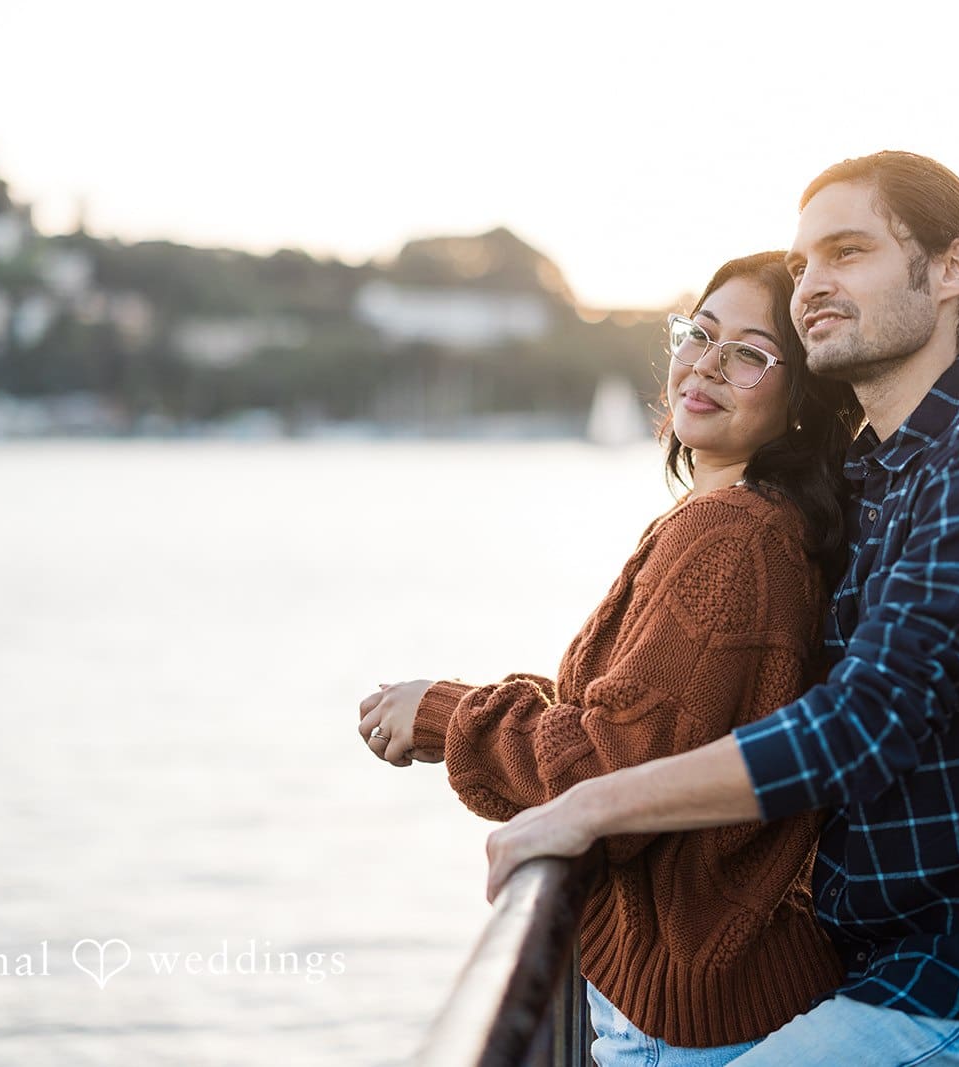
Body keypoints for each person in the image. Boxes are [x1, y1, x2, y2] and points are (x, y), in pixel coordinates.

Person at [483, 152, 959, 1067]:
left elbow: (868, 720)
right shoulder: (881, 479)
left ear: (951, 269)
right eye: (802, 265)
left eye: (848, 252)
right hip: (884, 978)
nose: (813, 285)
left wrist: (591, 803)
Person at [357, 251, 861, 1064]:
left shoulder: (732, 538)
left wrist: (448, 716)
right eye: (699, 333)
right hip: (716, 998)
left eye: (748, 352)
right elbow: (640, 716)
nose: (706, 364)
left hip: (693, 1018)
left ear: (800, 398)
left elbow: (611, 766)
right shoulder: (741, 521)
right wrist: (454, 704)